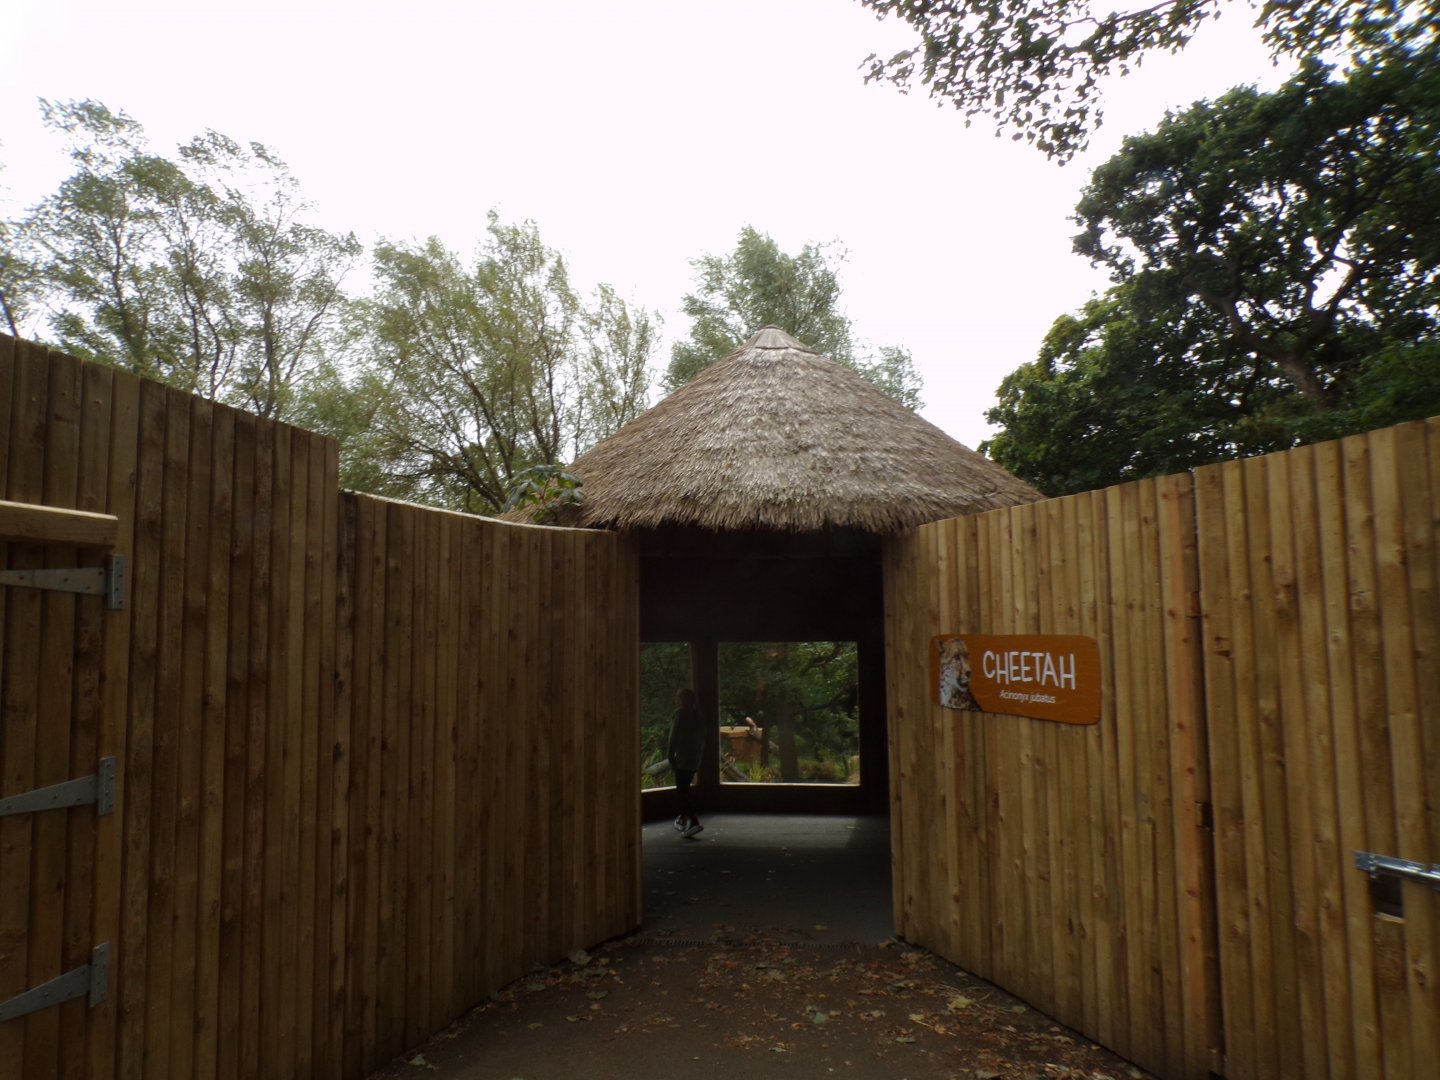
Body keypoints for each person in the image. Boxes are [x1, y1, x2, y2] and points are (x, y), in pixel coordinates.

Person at [668, 688, 705, 838]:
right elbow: (702, 739)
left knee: (682, 791)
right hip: (694, 759)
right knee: (685, 789)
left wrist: (671, 757)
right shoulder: (699, 716)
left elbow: (673, 737)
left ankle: (694, 821)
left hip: (682, 759)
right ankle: (683, 818)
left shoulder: (680, 715)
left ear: (683, 700)